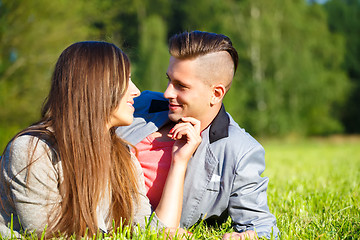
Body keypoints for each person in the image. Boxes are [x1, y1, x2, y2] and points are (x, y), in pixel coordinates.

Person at [0, 41, 201, 238]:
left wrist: (179, 161)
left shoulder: (123, 153)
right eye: (126, 80)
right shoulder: (33, 152)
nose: (136, 91)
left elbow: (147, 232)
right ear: (96, 87)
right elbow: (49, 235)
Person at [116, 31, 279, 239]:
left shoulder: (240, 152)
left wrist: (245, 237)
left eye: (181, 86)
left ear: (216, 93)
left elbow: (263, 228)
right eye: (169, 80)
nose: (167, 93)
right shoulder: (141, 104)